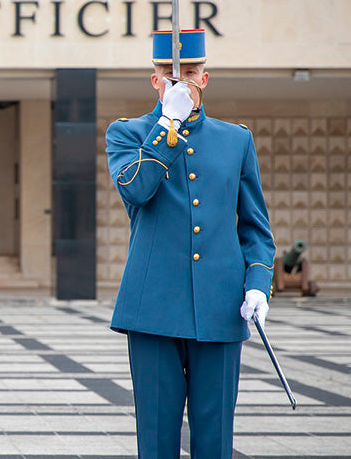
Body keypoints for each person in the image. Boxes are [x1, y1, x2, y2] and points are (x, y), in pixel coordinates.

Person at [104, 28, 275, 458]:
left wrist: (258, 284)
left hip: (220, 306)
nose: (181, 82)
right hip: (153, 307)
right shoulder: (128, 133)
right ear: (154, 80)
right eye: (169, 74)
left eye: (190, 73)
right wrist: (168, 125)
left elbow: (255, 227)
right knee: (157, 441)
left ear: (205, 78)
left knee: (215, 440)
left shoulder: (236, 139)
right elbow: (136, 189)